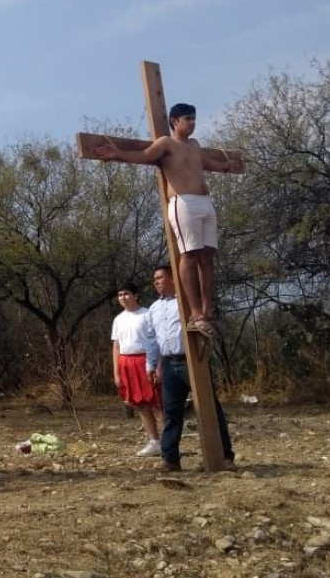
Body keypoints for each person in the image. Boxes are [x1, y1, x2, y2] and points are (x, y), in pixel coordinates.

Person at [94, 104, 240, 337]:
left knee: (208, 257)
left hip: (205, 202)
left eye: (194, 118)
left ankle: (207, 310)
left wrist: (225, 166)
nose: (192, 123)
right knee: (190, 254)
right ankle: (195, 314)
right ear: (174, 121)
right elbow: (144, 155)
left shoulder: (194, 145)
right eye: (187, 119)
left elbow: (207, 163)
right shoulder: (166, 143)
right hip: (184, 202)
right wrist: (118, 154)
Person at [146, 265, 236, 472]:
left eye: (159, 277)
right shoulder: (154, 308)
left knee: (209, 407)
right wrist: (153, 364)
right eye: (154, 279)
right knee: (171, 412)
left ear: (172, 278)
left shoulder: (187, 302)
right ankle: (170, 460)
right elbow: (152, 339)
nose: (156, 282)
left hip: (191, 360)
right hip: (169, 363)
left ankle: (224, 455)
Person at [110, 281, 163, 457]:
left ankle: (168, 441)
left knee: (156, 402)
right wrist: (117, 371)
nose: (123, 298)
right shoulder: (118, 319)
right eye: (120, 295)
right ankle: (154, 441)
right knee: (140, 403)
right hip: (127, 362)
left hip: (146, 360)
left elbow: (156, 342)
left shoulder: (147, 315)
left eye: (126, 294)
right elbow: (117, 346)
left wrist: (157, 366)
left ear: (135, 295)